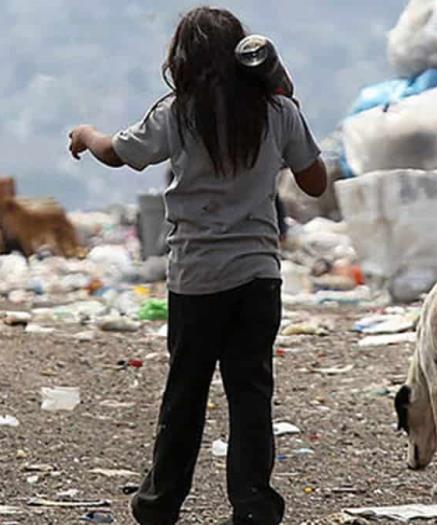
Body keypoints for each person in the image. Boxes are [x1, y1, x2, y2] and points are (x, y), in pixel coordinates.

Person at [68, 7, 327, 525]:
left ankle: (160, 503)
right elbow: (315, 183)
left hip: (197, 277)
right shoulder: (277, 113)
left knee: (185, 393)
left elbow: (120, 153)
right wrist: (288, 103)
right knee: (250, 394)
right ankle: (253, 505)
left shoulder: (177, 112)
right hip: (258, 276)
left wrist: (85, 133)